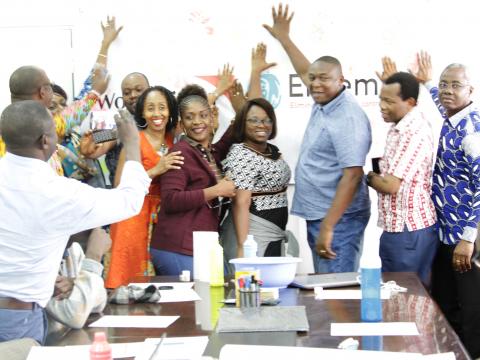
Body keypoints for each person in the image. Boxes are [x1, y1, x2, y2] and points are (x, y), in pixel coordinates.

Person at [0, 101, 150, 344]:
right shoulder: (58, 192)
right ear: (45, 141)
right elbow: (129, 202)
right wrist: (132, 145)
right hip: (18, 319)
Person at [263, 4, 371, 272]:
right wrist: (284, 38)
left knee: (337, 291)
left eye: (324, 78)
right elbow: (306, 71)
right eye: (312, 79)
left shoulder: (347, 115)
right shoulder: (324, 100)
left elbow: (353, 175)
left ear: (341, 80)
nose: (315, 84)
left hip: (339, 220)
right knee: (326, 287)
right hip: (322, 214)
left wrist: (329, 226)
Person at [411, 51, 480, 358]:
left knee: (471, 313)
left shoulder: (472, 131)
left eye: (456, 85)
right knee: (445, 305)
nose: (448, 90)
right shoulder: (450, 115)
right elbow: (439, 101)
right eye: (444, 84)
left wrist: (468, 239)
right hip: (442, 234)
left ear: (471, 91)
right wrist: (426, 83)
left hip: (466, 241)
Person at [150, 84, 236, 276]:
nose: (197, 122)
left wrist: (240, 108)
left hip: (198, 247)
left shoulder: (208, 152)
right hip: (177, 248)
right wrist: (217, 191)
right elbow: (171, 199)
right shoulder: (180, 152)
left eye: (203, 115)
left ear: (212, 117)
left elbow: (228, 139)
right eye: (190, 117)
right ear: (181, 124)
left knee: (209, 302)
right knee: (195, 305)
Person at [105, 86, 183, 288]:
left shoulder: (174, 139)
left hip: (164, 218)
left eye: (162, 108)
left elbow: (199, 113)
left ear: (170, 111)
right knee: (129, 280)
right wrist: (156, 169)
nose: (157, 114)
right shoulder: (133, 140)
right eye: (150, 108)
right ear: (142, 112)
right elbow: (120, 187)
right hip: (134, 216)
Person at [367, 65, 437, 285]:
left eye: (389, 101)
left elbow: (390, 185)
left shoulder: (412, 133)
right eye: (381, 99)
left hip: (408, 231)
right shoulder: (401, 125)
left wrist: (368, 177)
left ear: (410, 103)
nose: (382, 106)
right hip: (402, 229)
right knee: (404, 299)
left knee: (406, 299)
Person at [221, 98, 292, 262]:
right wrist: (242, 247)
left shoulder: (270, 150)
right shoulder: (242, 154)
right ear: (242, 123)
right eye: (254, 120)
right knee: (253, 285)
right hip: (254, 238)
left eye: (267, 120)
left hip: (274, 235)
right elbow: (241, 202)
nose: (262, 125)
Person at [46, 228, 111, 329]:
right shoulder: (38, 252)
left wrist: (77, 285)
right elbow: (74, 316)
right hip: (42, 341)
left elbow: (98, 304)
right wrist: (94, 257)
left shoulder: (74, 250)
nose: (98, 228)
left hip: (65, 337)